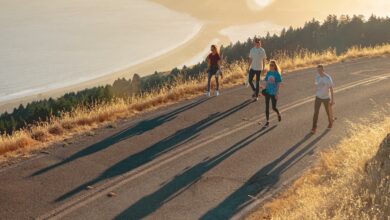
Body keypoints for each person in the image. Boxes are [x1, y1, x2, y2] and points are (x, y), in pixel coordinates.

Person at [311, 64, 335, 134]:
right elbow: (317, 85)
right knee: (316, 113)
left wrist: (332, 100)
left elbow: (331, 89)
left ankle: (330, 122)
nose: (319, 71)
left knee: (328, 113)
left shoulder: (328, 78)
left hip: (326, 98)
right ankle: (314, 128)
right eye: (318, 70)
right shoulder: (317, 77)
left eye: (321, 70)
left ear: (323, 70)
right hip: (318, 97)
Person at [263, 60, 282, 127]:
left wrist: (277, 93)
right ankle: (267, 121)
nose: (271, 66)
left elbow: (278, 84)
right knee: (267, 107)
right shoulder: (268, 73)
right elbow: (266, 81)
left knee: (274, 107)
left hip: (274, 92)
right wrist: (264, 89)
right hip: (268, 91)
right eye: (270, 65)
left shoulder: (277, 74)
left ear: (275, 66)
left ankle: (278, 114)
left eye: (272, 65)